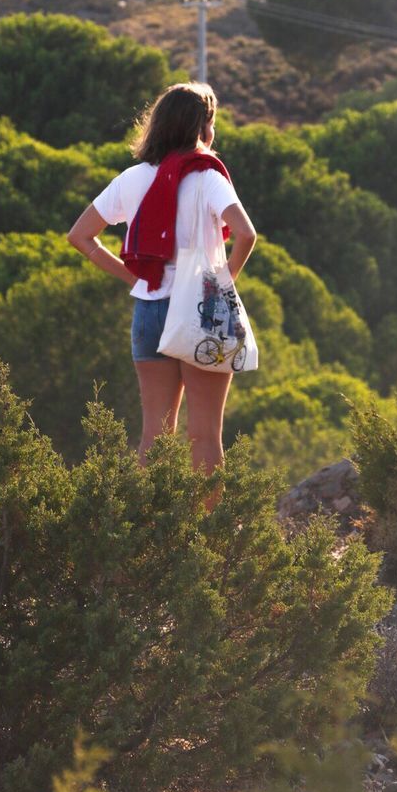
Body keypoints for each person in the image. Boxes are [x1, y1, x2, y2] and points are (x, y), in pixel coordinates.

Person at [67, 82, 256, 503]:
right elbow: (246, 234)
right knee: (204, 437)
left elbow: (81, 236)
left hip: (149, 309)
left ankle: (148, 539)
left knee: (155, 434)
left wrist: (133, 279)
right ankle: (210, 542)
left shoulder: (134, 178)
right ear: (202, 127)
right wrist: (222, 284)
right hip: (202, 309)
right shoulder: (207, 175)